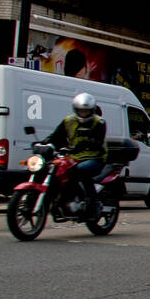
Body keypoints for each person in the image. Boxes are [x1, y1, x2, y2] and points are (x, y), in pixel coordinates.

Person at [44, 92, 107, 220]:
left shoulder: (99, 122)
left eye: (86, 111)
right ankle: (62, 199)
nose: (83, 113)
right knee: (53, 169)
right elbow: (56, 136)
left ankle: (92, 204)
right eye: (80, 111)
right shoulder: (68, 121)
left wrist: (86, 144)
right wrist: (45, 143)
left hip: (95, 157)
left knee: (81, 170)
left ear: (92, 110)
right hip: (73, 157)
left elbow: (98, 141)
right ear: (75, 109)